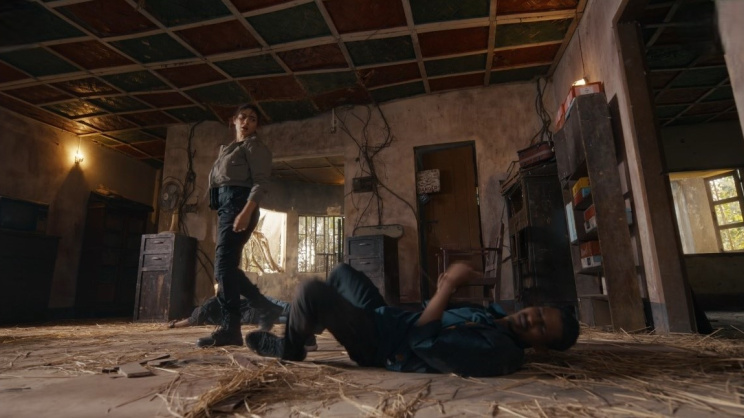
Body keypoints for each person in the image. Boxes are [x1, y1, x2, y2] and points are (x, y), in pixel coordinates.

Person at [246, 263, 580, 377]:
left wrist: (446, 289)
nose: (531, 320)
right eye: (539, 313)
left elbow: (424, 341)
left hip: (382, 345)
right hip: (388, 320)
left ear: (541, 347)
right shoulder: (495, 315)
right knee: (342, 273)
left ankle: (292, 349)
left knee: (310, 292)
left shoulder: (498, 351)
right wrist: (441, 292)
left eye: (541, 329)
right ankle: (306, 330)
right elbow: (429, 312)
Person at [198, 103, 283, 348]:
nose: (246, 122)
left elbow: (261, 183)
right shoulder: (228, 149)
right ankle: (265, 308)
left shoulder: (255, 147)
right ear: (233, 119)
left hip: (240, 204)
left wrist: (246, 211)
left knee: (223, 267)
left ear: (256, 125)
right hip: (227, 207)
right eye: (243, 117)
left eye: (252, 119)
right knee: (226, 267)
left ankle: (231, 328)